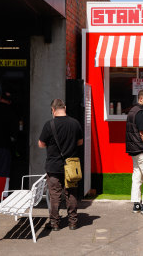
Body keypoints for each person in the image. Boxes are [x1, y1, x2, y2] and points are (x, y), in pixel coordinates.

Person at [38, 98, 83, 231]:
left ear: (53, 110)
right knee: (71, 193)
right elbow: (80, 143)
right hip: (71, 166)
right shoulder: (75, 123)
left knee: (55, 194)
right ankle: (73, 222)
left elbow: (41, 144)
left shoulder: (49, 124)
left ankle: (55, 223)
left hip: (53, 165)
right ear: (65, 107)